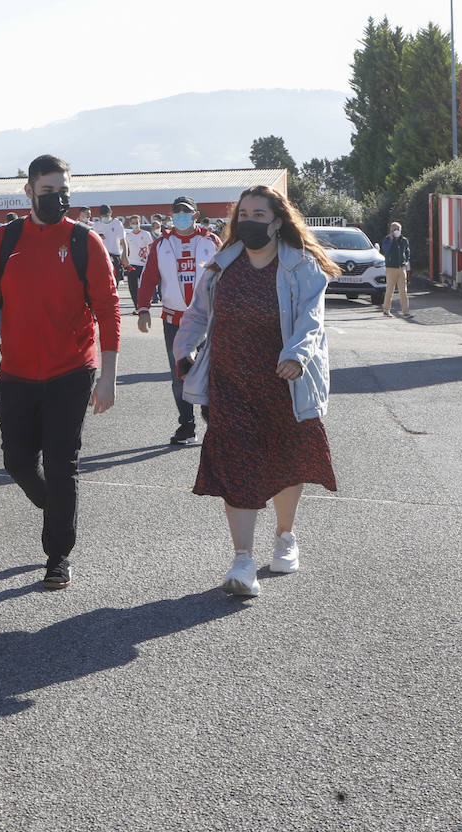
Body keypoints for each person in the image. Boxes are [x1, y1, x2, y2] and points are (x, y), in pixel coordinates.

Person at [173, 184, 339, 597]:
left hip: (285, 382)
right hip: (229, 382)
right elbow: (196, 315)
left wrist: (297, 355)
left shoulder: (302, 267)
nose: (249, 221)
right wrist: (184, 351)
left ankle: (285, 535)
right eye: (243, 214)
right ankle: (243, 560)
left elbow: (311, 320)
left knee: (287, 461)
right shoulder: (220, 266)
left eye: (258, 215)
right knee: (236, 463)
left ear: (277, 221)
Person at [0, 154, 120, 589]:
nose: (58, 198)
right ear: (30, 191)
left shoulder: (83, 241)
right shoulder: (4, 240)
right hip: (16, 372)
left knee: (61, 464)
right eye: (49, 190)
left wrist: (108, 376)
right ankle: (56, 508)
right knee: (17, 462)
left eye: (64, 190)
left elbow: (109, 310)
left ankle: (58, 555)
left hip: (71, 371)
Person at [134, 195, 221, 445]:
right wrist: (143, 309)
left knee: (213, 372)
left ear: (195, 215)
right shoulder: (161, 244)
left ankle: (216, 425)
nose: (180, 216)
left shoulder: (211, 240)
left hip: (208, 319)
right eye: (176, 212)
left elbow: (227, 274)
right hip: (174, 320)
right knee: (179, 374)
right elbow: (148, 278)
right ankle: (187, 425)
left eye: (185, 211)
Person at [380, 221, 411, 317]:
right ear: (391, 230)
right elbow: (385, 251)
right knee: (390, 289)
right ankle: (386, 310)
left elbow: (407, 251)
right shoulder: (387, 240)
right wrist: (391, 240)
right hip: (391, 268)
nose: (396, 231)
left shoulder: (404, 240)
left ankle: (405, 311)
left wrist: (406, 261)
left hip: (401, 268)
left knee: (403, 291)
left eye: (398, 229)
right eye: (394, 229)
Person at [92, 204, 128, 286]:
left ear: (111, 213)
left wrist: (125, 256)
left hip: (115, 256)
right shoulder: (96, 226)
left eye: (107, 214)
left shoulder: (117, 223)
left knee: (115, 282)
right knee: (102, 282)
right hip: (101, 257)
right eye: (103, 215)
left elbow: (123, 241)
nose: (105, 217)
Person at [124, 214, 155, 306]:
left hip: (143, 264)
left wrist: (151, 261)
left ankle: (144, 303)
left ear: (140, 223)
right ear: (130, 224)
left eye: (136, 223)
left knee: (144, 287)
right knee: (133, 287)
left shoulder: (146, 234)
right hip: (132, 264)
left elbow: (151, 247)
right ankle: (136, 305)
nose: (135, 225)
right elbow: (126, 249)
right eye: (133, 223)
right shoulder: (128, 236)